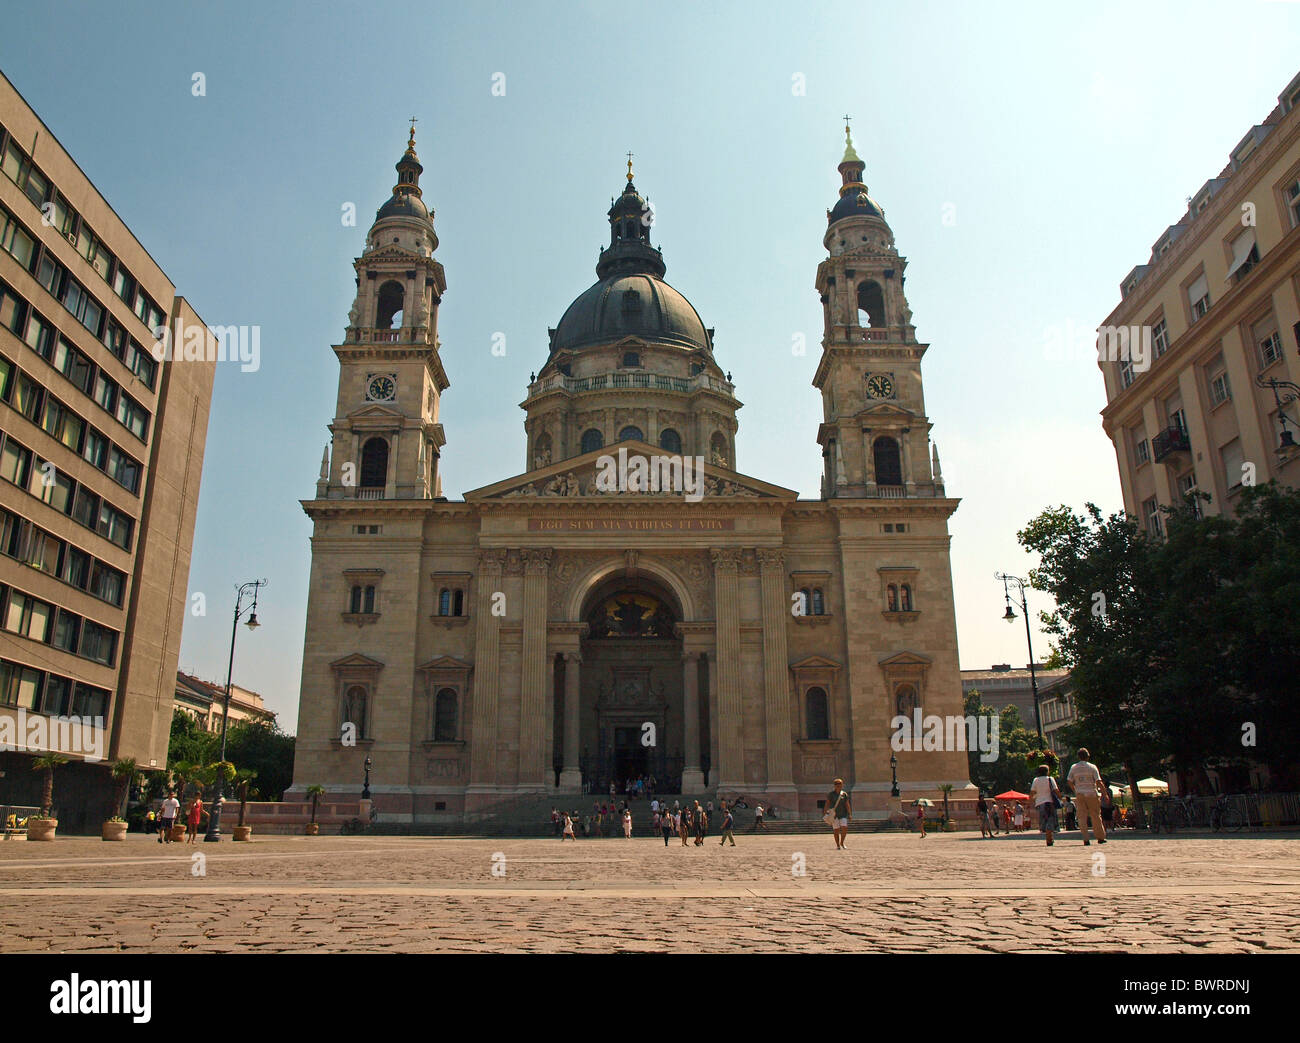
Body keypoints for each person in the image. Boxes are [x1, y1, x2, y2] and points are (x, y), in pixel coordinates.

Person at [1067, 747, 1107, 846]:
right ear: (1088, 756)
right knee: (1096, 816)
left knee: (1081, 816)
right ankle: (1100, 837)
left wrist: (1075, 790)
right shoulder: (1092, 767)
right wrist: (1105, 794)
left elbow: (1069, 780)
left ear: (1078, 757)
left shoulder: (1074, 767)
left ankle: (1086, 838)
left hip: (1080, 794)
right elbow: (1098, 781)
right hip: (1092, 793)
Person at [1029, 764, 1063, 846]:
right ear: (1047, 772)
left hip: (1040, 803)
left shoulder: (1036, 780)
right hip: (1049, 802)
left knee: (1045, 820)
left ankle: (1049, 838)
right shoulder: (1050, 779)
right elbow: (1056, 790)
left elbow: (1032, 792)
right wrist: (1060, 798)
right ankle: (1049, 839)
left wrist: (1030, 800)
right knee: (1050, 820)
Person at [827, 778, 852, 849]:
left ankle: (842, 842)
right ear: (834, 785)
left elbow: (847, 804)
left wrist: (849, 814)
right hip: (834, 815)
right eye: (837, 784)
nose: (838, 785)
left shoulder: (844, 794)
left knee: (844, 828)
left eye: (840, 784)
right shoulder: (831, 794)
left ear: (842, 785)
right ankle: (838, 844)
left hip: (843, 814)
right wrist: (826, 813)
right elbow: (827, 804)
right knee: (836, 830)